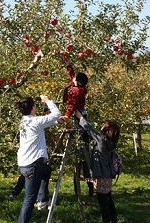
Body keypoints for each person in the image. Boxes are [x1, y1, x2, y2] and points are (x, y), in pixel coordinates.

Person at [16, 95, 61, 223]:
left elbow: (45, 122)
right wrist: (48, 101)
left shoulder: (24, 121)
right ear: (33, 107)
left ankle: (42, 199)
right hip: (33, 166)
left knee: (47, 170)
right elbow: (56, 113)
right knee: (29, 200)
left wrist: (56, 121)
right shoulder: (36, 121)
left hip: (25, 164)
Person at [74, 109, 120, 223]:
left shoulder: (101, 140)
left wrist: (79, 117)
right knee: (108, 197)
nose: (102, 127)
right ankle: (113, 219)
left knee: (103, 201)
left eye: (104, 126)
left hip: (101, 176)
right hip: (107, 175)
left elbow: (90, 129)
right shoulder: (111, 142)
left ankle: (107, 220)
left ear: (107, 131)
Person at [59, 64, 93, 196]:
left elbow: (72, 105)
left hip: (78, 117)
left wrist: (66, 116)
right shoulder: (79, 87)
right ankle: (84, 187)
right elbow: (73, 77)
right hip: (81, 114)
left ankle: (83, 185)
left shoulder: (76, 91)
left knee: (80, 151)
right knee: (82, 149)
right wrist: (68, 66)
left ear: (77, 83)